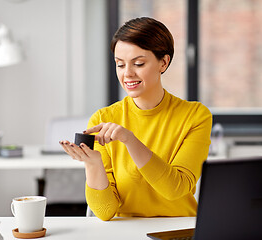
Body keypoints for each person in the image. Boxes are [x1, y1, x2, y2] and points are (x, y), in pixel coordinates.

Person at [59, 17, 212, 221]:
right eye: (120, 65)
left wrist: (129, 140)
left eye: (138, 63)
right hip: (126, 231)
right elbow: (105, 212)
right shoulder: (104, 119)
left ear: (163, 62)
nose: (127, 74)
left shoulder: (195, 116)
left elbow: (176, 189)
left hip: (178, 229)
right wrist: (93, 165)